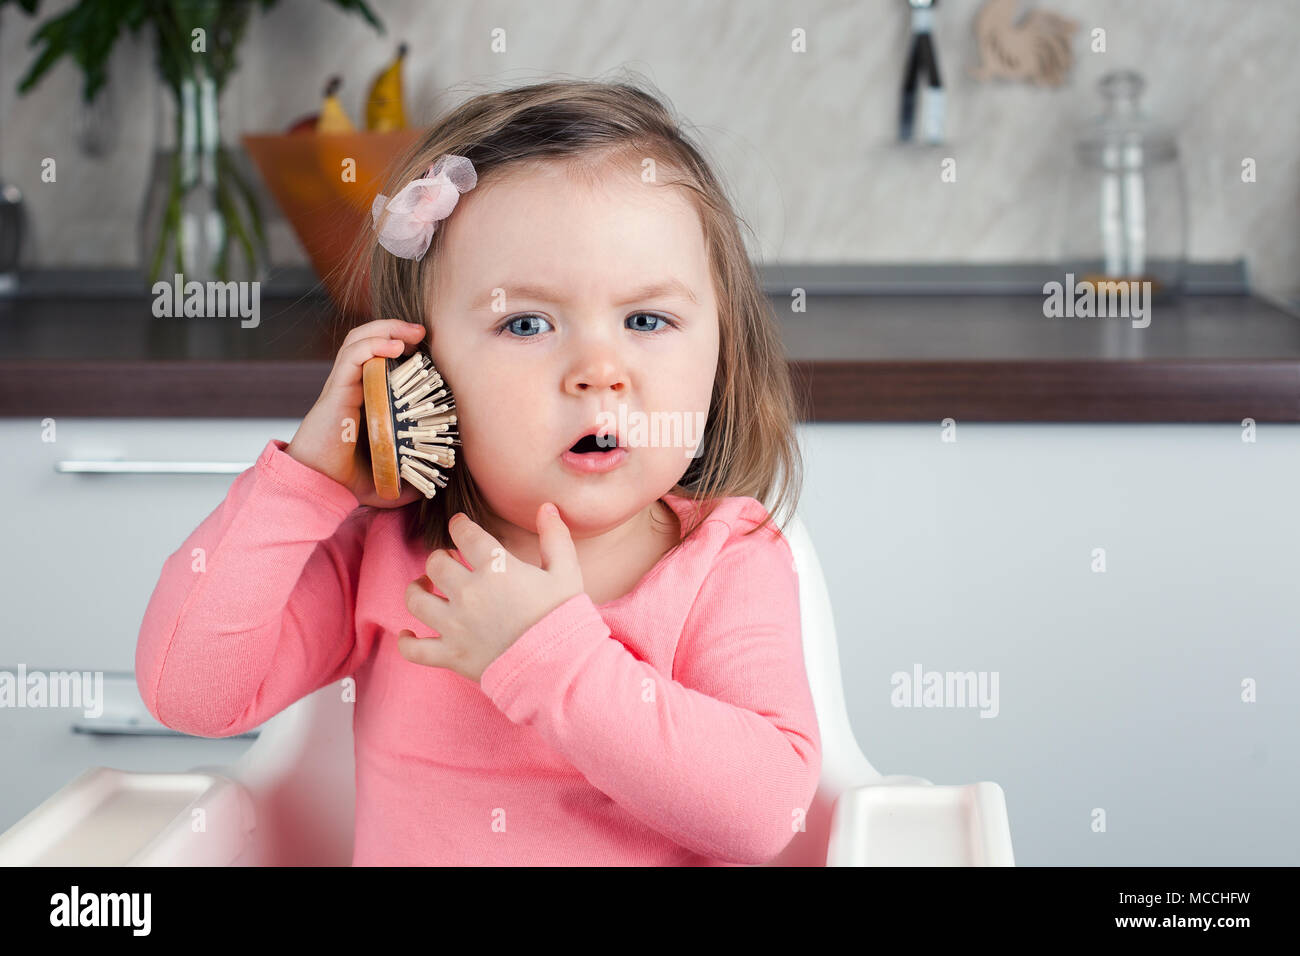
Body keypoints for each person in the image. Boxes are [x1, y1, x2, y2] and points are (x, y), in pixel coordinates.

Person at [135, 75, 820, 866]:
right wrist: (303, 487)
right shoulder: (387, 551)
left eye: (646, 319)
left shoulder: (726, 563)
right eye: (525, 323)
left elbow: (765, 813)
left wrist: (550, 659)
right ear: (420, 369)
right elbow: (188, 692)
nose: (599, 370)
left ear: (721, 351)